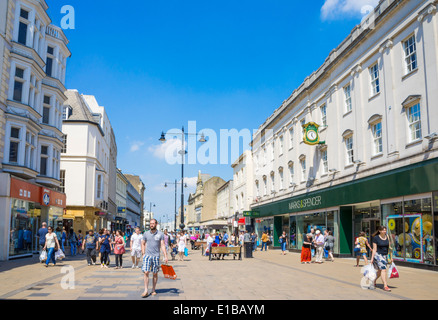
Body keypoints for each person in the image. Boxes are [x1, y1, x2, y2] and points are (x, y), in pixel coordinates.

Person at [141, 219, 168, 298]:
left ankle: (153, 289)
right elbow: (142, 243)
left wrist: (165, 256)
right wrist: (143, 253)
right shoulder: (146, 233)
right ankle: (146, 290)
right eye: (150, 224)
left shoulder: (160, 234)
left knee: (155, 273)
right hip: (147, 256)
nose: (151, 225)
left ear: (156, 224)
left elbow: (162, 245)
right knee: (146, 272)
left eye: (153, 223)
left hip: (156, 256)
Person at [370, 226, 391, 292]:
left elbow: (390, 248)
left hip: (385, 255)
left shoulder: (387, 236)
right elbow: (374, 249)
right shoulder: (376, 238)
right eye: (383, 230)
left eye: (385, 230)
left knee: (379, 271)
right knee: (383, 270)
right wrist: (372, 258)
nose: (385, 231)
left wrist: (390, 257)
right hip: (378, 255)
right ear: (379, 231)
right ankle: (385, 286)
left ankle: (373, 280)